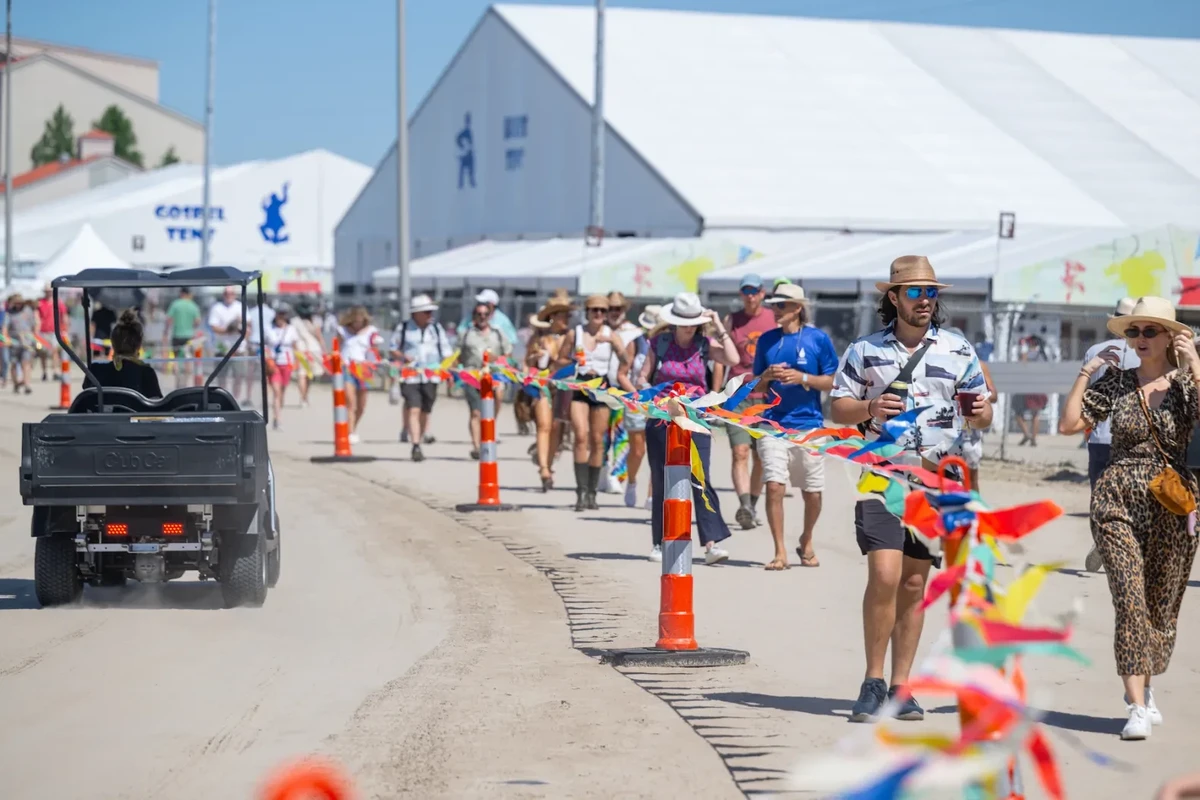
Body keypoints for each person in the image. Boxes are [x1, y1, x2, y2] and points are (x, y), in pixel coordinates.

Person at [830, 256, 991, 723]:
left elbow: (982, 416)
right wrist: (868, 405)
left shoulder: (959, 349)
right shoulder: (864, 350)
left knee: (915, 581)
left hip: (935, 478)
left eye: (931, 292)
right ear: (894, 298)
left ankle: (902, 686)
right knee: (884, 575)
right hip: (882, 474)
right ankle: (872, 680)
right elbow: (839, 408)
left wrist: (980, 409)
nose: (925, 300)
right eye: (915, 292)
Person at [1060, 296, 1200, 741]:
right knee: (1130, 600)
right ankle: (1135, 705)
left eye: (1149, 331)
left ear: (1169, 337)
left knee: (1161, 608)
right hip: (1116, 497)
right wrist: (1086, 373)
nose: (1138, 339)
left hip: (1173, 502)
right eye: (1133, 331)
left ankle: (1147, 684)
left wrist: (1194, 360)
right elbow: (1068, 424)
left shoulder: (1186, 384)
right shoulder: (1116, 383)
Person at [638, 292, 740, 563]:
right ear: (674, 321)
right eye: (684, 321)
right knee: (661, 479)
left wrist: (718, 325)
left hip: (695, 417)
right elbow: (642, 376)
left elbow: (732, 358)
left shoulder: (704, 345)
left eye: (693, 321)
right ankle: (660, 543)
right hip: (663, 416)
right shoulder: (659, 343)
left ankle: (711, 543)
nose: (689, 326)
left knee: (700, 476)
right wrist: (651, 396)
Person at [752, 283, 838, 570]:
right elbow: (755, 386)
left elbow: (833, 381)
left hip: (809, 424)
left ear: (797, 308)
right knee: (774, 486)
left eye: (781, 305)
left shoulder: (818, 339)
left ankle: (807, 538)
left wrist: (803, 378)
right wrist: (766, 375)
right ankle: (779, 552)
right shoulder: (767, 341)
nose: (775, 310)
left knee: (812, 492)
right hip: (772, 424)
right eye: (773, 305)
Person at [1074, 298, 1140, 573]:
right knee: (1131, 496)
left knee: (1099, 494)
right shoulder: (1146, 354)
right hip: (1133, 438)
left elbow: (1085, 394)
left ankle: (1103, 537)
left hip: (1100, 435)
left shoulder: (1095, 351)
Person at [560, 295, 628, 511]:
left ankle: (591, 493)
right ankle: (580, 493)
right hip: (580, 384)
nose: (598, 314)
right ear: (587, 312)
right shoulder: (576, 333)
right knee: (580, 436)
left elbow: (626, 360)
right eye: (594, 310)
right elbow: (560, 359)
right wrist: (573, 362)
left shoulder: (610, 334)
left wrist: (614, 344)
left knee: (598, 440)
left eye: (602, 311)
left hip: (601, 386)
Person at [724, 273, 776, 529]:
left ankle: (752, 505)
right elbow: (721, 359)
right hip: (738, 396)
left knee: (761, 457)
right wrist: (715, 396)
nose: (751, 296)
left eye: (754, 291)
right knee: (739, 452)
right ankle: (744, 505)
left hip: (767, 398)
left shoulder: (772, 317)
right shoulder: (732, 320)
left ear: (762, 293)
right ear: (741, 294)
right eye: (746, 291)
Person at [394, 294, 452, 462]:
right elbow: (393, 348)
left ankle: (422, 431)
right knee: (414, 407)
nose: (429, 315)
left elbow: (446, 352)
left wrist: (447, 371)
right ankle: (416, 445)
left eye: (430, 312)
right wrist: (404, 357)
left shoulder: (436, 329)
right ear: (416, 313)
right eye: (426, 312)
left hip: (431, 375)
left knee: (426, 408)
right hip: (410, 375)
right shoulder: (404, 328)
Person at [526, 295, 573, 490]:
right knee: (544, 425)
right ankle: (544, 469)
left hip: (563, 385)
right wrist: (534, 359)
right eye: (563, 316)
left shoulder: (570, 337)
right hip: (542, 385)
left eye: (567, 316)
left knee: (556, 427)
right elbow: (527, 363)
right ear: (553, 317)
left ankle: (548, 463)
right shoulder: (539, 338)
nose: (566, 320)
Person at [607, 291, 650, 507]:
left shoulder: (633, 334)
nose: (613, 312)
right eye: (610, 308)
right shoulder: (600, 330)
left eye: (617, 308)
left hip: (630, 394)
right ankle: (609, 474)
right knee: (606, 437)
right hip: (606, 388)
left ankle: (619, 476)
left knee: (625, 438)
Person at [456, 301, 513, 459]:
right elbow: (458, 354)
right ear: (474, 316)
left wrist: (499, 359)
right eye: (479, 314)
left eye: (485, 314)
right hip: (472, 374)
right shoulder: (466, 333)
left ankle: (488, 430)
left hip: (494, 375)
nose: (482, 317)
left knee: (496, 401)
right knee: (475, 412)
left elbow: (508, 353)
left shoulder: (498, 332)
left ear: (490, 316)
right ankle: (476, 446)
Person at [83, 309, 162, 399]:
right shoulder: (146, 373)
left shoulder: (95, 371)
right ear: (139, 346)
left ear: (112, 343)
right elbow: (157, 405)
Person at [338, 306, 384, 444]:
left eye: (360, 321)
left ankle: (353, 427)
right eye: (355, 321)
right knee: (350, 402)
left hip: (364, 368)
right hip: (347, 367)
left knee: (361, 405)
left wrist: (375, 360)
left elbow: (374, 351)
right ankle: (350, 432)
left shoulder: (371, 332)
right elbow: (337, 348)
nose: (357, 324)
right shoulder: (342, 331)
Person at [207, 287, 249, 403]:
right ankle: (223, 398)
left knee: (238, 376)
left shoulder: (240, 306)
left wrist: (240, 325)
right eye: (226, 293)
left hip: (238, 348)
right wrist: (228, 330)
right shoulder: (217, 307)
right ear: (223, 294)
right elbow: (213, 327)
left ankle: (235, 399)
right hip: (222, 348)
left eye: (231, 293)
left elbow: (248, 325)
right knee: (221, 376)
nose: (229, 295)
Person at [264, 309, 298, 430]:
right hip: (274, 364)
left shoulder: (291, 329)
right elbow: (265, 346)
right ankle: (277, 419)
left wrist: (298, 361)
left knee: (283, 391)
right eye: (279, 315)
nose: (281, 318)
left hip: (287, 362)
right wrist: (266, 358)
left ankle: (278, 413)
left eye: (283, 316)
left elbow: (295, 346)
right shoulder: (269, 329)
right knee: (276, 391)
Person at [163, 287, 203, 389]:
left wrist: (166, 332)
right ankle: (185, 383)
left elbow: (168, 319)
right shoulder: (193, 305)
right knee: (188, 359)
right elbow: (198, 321)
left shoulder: (175, 304)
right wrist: (191, 325)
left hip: (177, 335)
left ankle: (178, 382)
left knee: (176, 359)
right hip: (189, 336)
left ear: (181, 293)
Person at [290, 301, 326, 408]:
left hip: (300, 350)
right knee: (309, 375)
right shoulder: (315, 321)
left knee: (301, 374)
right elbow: (319, 337)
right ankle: (305, 396)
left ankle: (303, 398)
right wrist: (324, 350)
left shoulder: (294, 321)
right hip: (313, 350)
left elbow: (293, 338)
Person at [5, 295, 35, 394]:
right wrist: (6, 338)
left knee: (26, 363)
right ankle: (16, 384)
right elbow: (5, 327)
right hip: (14, 342)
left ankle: (27, 385)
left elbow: (33, 325)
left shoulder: (28, 311)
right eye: (16, 303)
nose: (18, 305)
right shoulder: (9, 313)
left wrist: (33, 337)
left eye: (20, 303)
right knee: (14, 363)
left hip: (27, 342)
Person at [36, 285, 67, 380]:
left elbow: (64, 316)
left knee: (54, 351)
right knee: (43, 353)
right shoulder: (40, 303)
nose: (48, 293)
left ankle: (55, 371)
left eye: (49, 291)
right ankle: (45, 371)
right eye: (46, 291)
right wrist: (36, 332)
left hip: (55, 331)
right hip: (43, 331)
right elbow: (37, 318)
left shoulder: (58, 302)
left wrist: (65, 330)